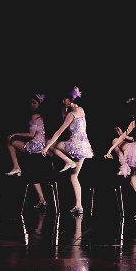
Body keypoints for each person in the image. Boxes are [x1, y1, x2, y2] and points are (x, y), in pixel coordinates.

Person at [42, 86, 93, 214]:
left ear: (70, 99)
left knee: (49, 142)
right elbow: (64, 116)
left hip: (74, 146)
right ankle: (79, 206)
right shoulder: (81, 110)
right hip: (84, 148)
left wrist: (46, 148)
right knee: (74, 176)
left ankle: (68, 161)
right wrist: (65, 108)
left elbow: (59, 132)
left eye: (64, 99)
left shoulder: (71, 114)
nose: (62, 101)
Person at [5, 93, 48, 209]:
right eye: (31, 103)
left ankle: (16, 167)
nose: (32, 105)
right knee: (33, 173)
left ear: (39, 103)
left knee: (10, 141)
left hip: (35, 147)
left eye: (34, 102)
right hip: (43, 147)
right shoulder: (42, 116)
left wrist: (16, 133)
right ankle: (42, 199)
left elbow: (31, 135)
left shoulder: (35, 116)